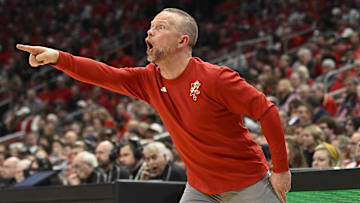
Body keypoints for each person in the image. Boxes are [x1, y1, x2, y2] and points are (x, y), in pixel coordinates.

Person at [16, 8, 290, 202]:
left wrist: (280, 170)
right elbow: (104, 73)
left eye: (160, 27)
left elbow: (267, 111)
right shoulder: (148, 79)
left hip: (247, 184)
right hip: (201, 190)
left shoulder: (216, 78)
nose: (150, 33)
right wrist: (58, 58)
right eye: (149, 28)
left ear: (183, 40)